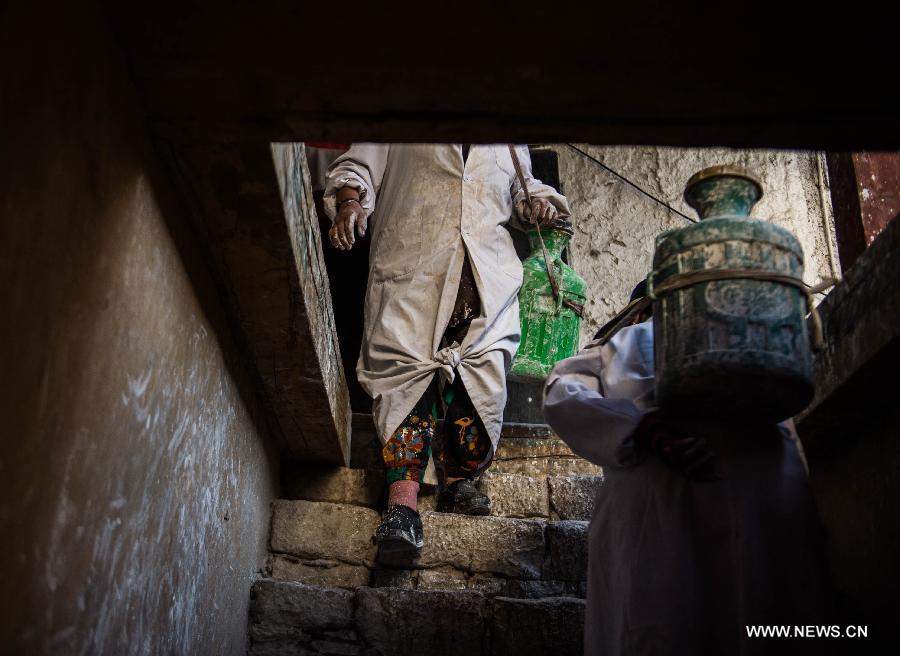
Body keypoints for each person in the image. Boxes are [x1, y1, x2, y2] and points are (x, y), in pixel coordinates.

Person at [543, 282, 835, 656]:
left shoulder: (624, 343)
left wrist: (639, 427)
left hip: (656, 509)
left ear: (640, 312)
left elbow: (561, 393)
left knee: (660, 627)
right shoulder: (753, 348)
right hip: (760, 503)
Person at [324, 144, 570, 554]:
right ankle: (402, 504)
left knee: (480, 372)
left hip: (484, 273)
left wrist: (537, 204)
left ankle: (460, 481)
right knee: (406, 378)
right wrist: (351, 202)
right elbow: (356, 168)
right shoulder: (398, 117)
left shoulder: (507, 139)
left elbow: (522, 188)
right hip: (414, 265)